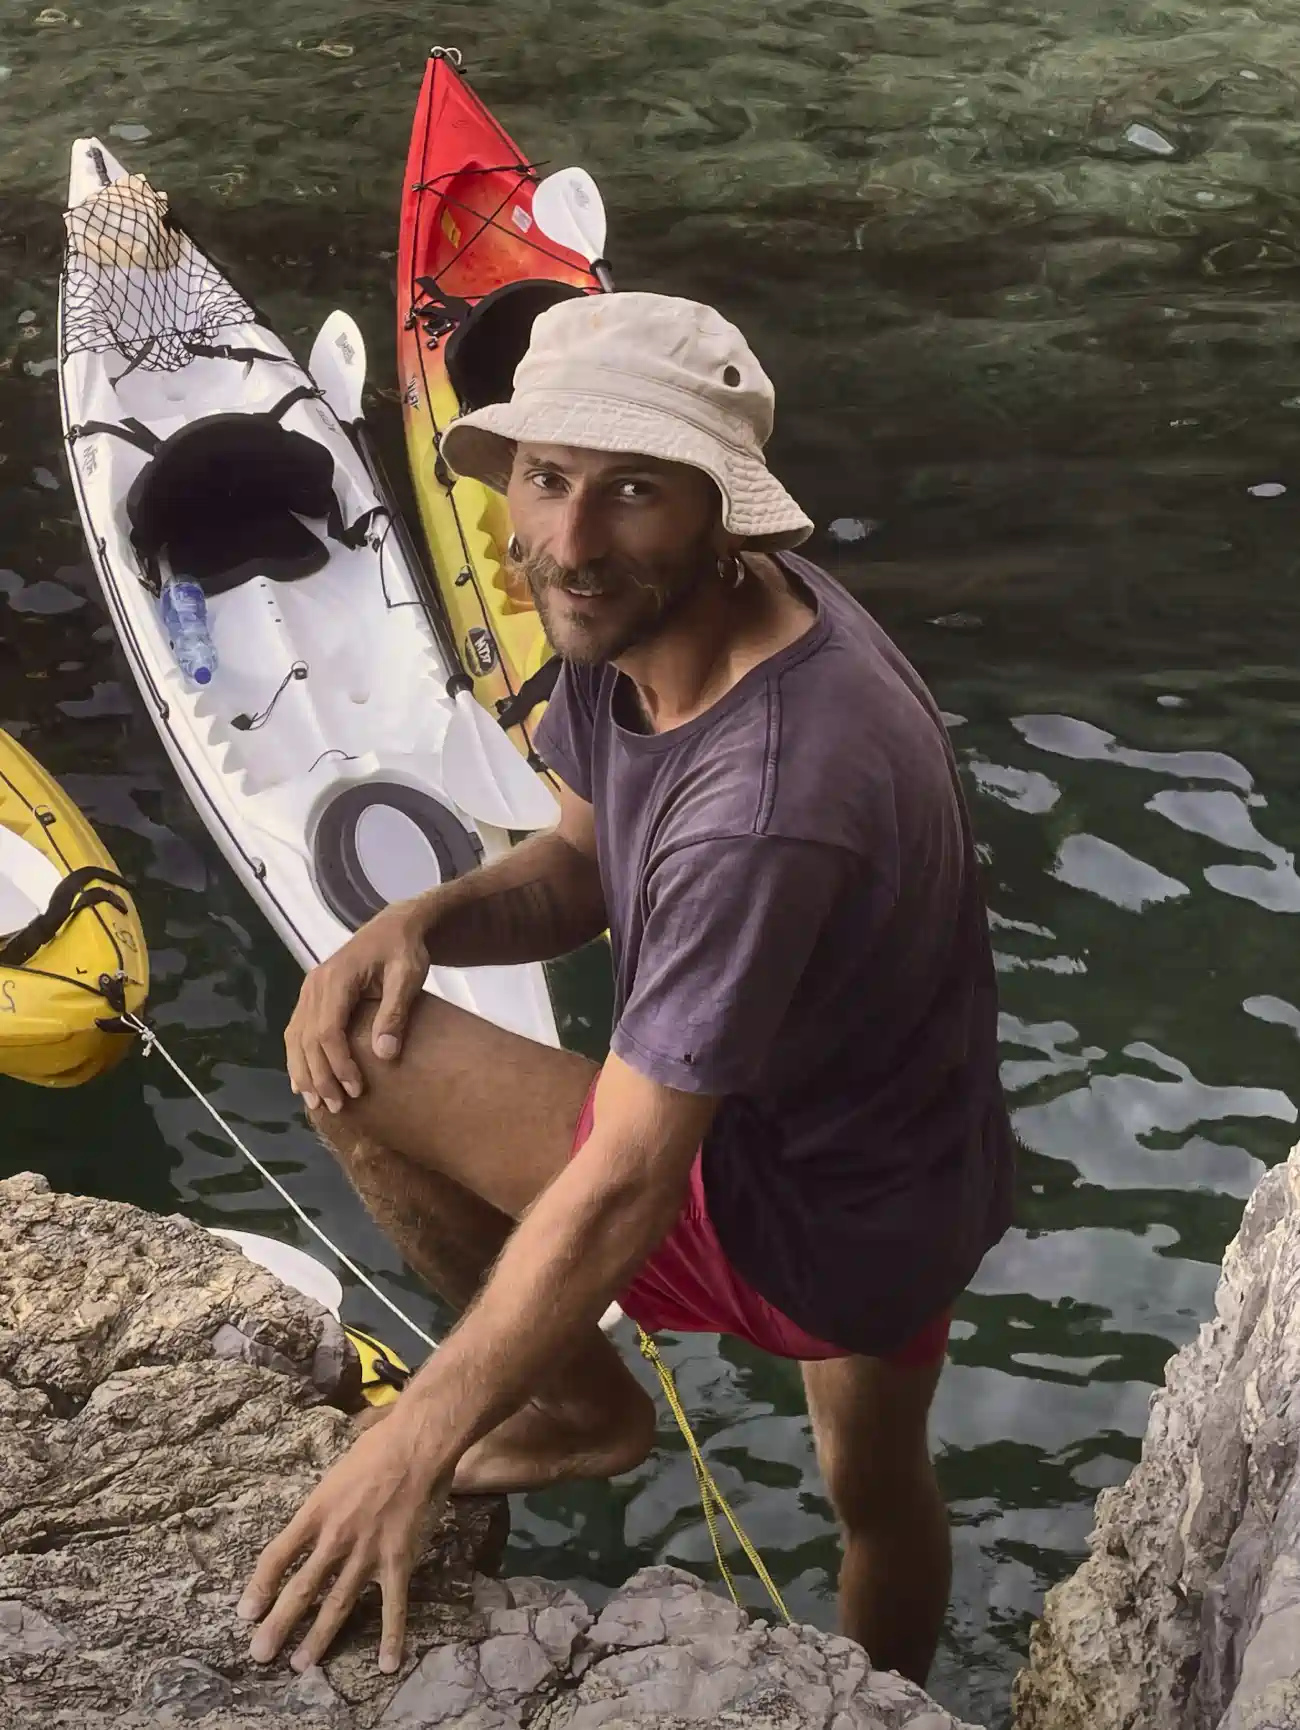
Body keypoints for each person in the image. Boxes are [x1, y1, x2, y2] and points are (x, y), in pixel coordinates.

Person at [236, 292, 1016, 1687]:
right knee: (878, 1495)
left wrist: (415, 1442)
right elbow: (586, 864)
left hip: (786, 1206)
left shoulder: (769, 803)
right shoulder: (673, 624)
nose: (572, 541)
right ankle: (889, 1705)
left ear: (722, 513)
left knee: (357, 1049)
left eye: (633, 491)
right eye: (548, 479)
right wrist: (424, 917)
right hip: (912, 1185)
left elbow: (628, 1177)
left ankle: (577, 1409)